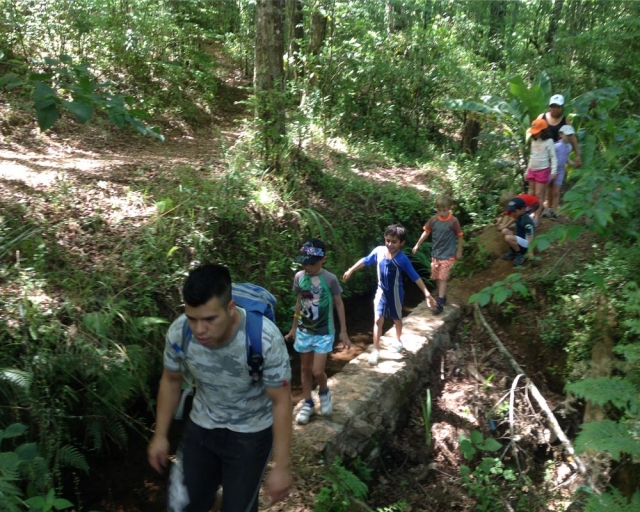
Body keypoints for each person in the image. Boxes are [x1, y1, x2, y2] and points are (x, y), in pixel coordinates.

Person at [147, 264, 292, 512]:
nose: (200, 329)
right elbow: (171, 380)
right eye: (192, 318)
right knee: (183, 506)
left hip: (252, 434)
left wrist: (281, 466)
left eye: (210, 319)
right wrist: (160, 435)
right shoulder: (180, 333)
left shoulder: (264, 339)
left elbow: (281, 401)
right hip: (202, 426)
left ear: (231, 307)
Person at [343, 224, 435, 366]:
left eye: (394, 241)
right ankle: (376, 350)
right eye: (387, 240)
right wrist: (351, 270)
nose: (390, 244)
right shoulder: (379, 251)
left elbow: (415, 276)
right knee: (378, 320)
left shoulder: (402, 259)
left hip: (396, 294)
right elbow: (366, 260)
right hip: (381, 292)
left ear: (401, 243)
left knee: (396, 318)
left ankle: (398, 341)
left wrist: (427, 293)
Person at [285, 239, 351, 425]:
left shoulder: (329, 279)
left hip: (323, 332)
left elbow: (339, 303)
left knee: (317, 370)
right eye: (304, 263)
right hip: (305, 331)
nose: (307, 267)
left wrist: (343, 331)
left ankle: (323, 391)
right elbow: (300, 302)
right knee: (305, 369)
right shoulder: (299, 277)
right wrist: (294, 328)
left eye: (311, 263)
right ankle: (307, 403)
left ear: (323, 260)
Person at [412, 195, 464, 314]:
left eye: (444, 210)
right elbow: (426, 232)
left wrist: (459, 250)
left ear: (450, 208)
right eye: (439, 210)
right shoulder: (433, 220)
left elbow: (460, 235)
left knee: (443, 277)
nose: (442, 212)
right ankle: (443, 296)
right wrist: (417, 245)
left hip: (448, 254)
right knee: (436, 277)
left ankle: (440, 302)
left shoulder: (453, 221)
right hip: (436, 254)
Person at [526, 118, 557, 225]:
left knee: (539, 194)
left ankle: (537, 217)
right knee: (531, 193)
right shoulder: (533, 141)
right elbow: (531, 156)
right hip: (532, 169)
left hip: (543, 170)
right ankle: (531, 214)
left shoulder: (549, 141)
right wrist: (527, 171)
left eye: (536, 132)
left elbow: (553, 157)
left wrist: (554, 171)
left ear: (543, 131)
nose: (534, 134)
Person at [542, 124, 576, 220]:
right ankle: (545, 209)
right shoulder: (556, 146)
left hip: (561, 170)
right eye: (567, 135)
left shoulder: (569, 147)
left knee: (556, 192)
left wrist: (573, 164)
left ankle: (554, 212)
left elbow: (566, 158)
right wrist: (550, 169)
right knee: (546, 189)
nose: (569, 137)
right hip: (551, 170)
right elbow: (549, 157)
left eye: (570, 135)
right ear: (561, 134)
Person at [538, 94, 582, 167]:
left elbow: (573, 139)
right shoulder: (542, 117)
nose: (555, 109)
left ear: (562, 108)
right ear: (550, 107)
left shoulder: (565, 121)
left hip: (558, 157)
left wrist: (577, 155)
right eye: (553, 106)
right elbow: (533, 134)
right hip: (543, 155)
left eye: (558, 107)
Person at [501, 197, 535, 267]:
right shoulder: (519, 216)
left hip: (526, 242)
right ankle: (514, 250)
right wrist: (504, 226)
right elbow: (513, 220)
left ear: (522, 209)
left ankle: (520, 254)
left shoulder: (527, 221)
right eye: (512, 211)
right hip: (520, 237)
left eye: (514, 211)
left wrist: (530, 251)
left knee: (508, 238)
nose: (513, 213)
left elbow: (530, 237)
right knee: (504, 231)